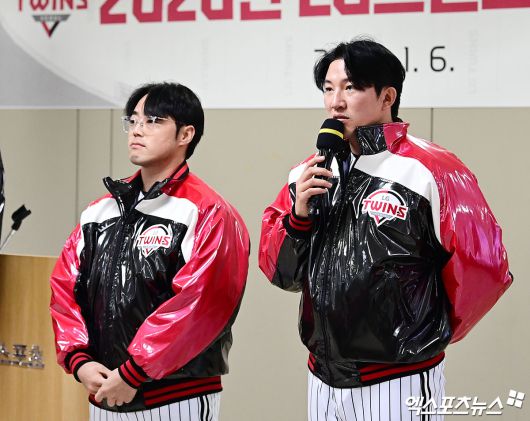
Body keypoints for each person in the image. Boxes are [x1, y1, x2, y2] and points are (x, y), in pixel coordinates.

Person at [258, 39, 512, 421]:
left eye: (351, 88)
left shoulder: (432, 170)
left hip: (400, 380)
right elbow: (282, 273)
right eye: (328, 89)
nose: (335, 102)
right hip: (321, 378)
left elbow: (485, 267)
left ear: (387, 96)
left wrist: (425, 332)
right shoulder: (308, 174)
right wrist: (298, 218)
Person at [50, 82, 250, 420]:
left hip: (176, 397)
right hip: (104, 393)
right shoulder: (99, 212)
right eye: (133, 120)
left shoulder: (208, 212)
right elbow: (64, 288)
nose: (137, 130)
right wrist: (79, 360)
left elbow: (202, 304)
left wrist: (134, 372)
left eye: (153, 121)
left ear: (186, 134)